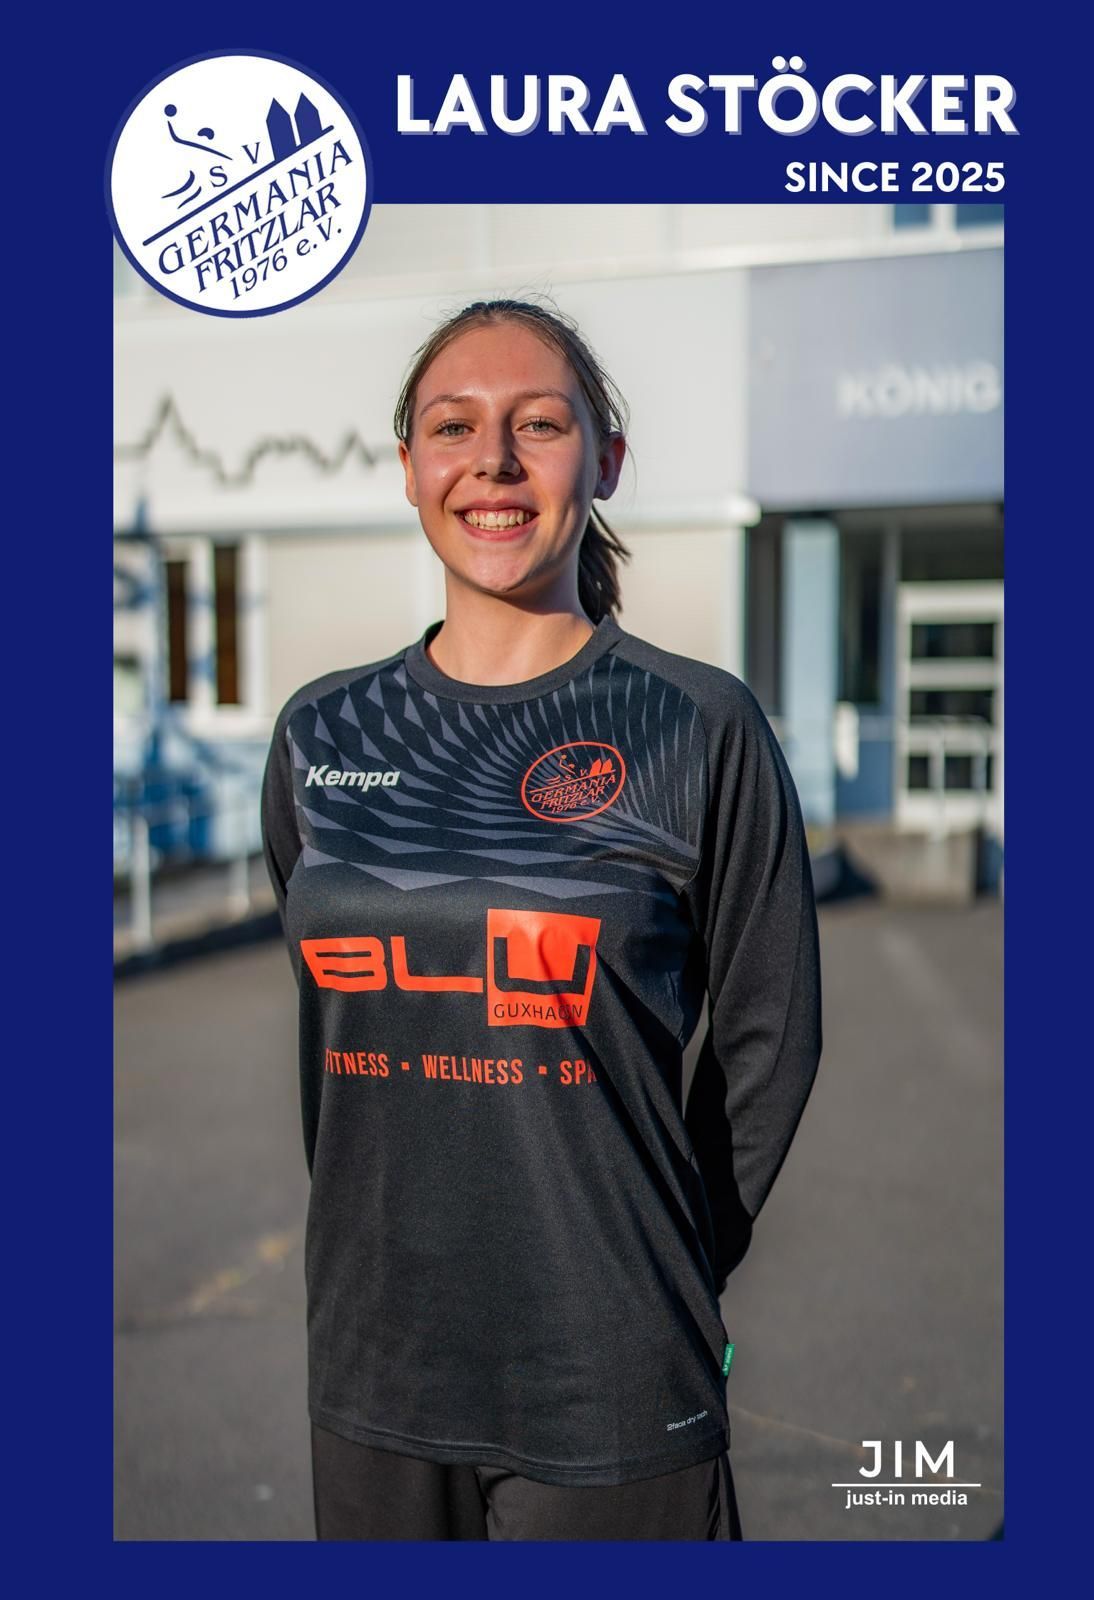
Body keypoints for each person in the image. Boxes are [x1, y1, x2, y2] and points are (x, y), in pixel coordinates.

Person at [260, 297, 823, 1541]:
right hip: (374, 1366)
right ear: (410, 465)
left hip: (612, 1366)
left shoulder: (696, 726)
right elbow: (337, 1038)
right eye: (453, 427)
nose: (494, 462)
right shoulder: (320, 734)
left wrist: (669, 1263)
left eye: (540, 425)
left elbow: (769, 1041)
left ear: (605, 459)